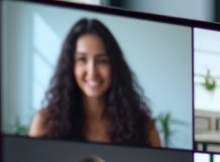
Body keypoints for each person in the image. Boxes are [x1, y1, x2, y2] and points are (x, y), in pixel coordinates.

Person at [29, 18, 161, 147]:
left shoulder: (144, 127)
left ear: (115, 66)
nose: (92, 72)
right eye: (82, 59)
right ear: (70, 66)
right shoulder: (45, 123)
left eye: (102, 61)